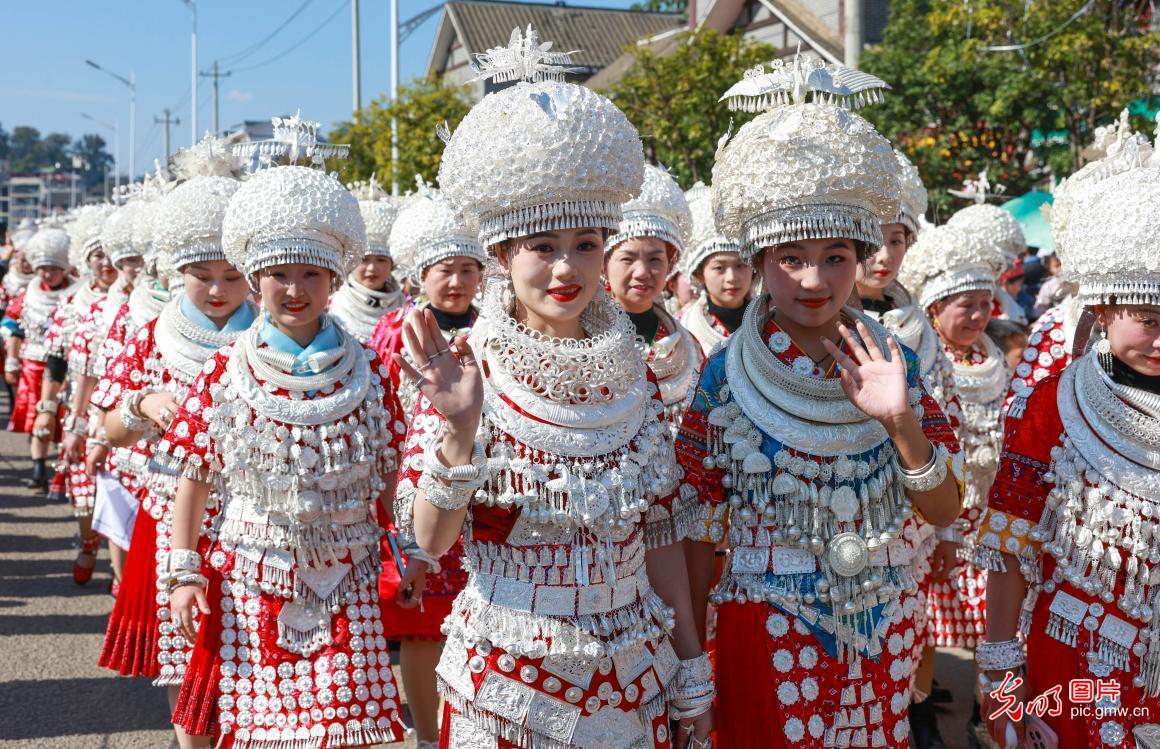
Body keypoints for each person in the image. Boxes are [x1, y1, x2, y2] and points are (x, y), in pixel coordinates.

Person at [401, 26, 712, 749]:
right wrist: (456, 432)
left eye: (585, 244)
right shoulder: (465, 367)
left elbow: (660, 535)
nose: (566, 268)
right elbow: (430, 543)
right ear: (503, 253)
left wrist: (692, 665)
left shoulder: (634, 364)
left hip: (633, 673)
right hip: (508, 679)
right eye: (543, 246)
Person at [678, 53, 963, 748]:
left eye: (836, 255)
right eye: (791, 258)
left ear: (861, 258)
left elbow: (947, 508)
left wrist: (901, 423)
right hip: (762, 626)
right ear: (757, 262)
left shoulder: (891, 357)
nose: (814, 278)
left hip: (882, 625)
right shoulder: (723, 375)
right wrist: (690, 667)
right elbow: (692, 533)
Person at [159, 132, 408, 747]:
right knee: (261, 730)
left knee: (344, 728)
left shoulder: (368, 369)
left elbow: (391, 472)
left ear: (333, 280)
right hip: (253, 575)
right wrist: (184, 573)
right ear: (256, 280)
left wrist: (410, 554)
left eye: (310, 275)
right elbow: (195, 477)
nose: (294, 290)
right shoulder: (226, 369)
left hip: (347, 574)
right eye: (278, 276)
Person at [978, 125, 1160, 749]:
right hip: (1081, 664)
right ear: (1104, 307)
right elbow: (1008, 552)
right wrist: (1001, 686)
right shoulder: (1053, 406)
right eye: (1150, 320)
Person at [93, 160, 257, 747]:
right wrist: (141, 404)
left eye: (233, 276)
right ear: (177, 270)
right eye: (200, 274)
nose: (217, 291)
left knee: (252, 661)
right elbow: (107, 429)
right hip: (170, 518)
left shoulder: (273, 335)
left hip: (254, 518)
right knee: (183, 659)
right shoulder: (154, 335)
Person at [366, 186, 486, 749]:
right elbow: (385, 413)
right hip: (416, 487)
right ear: (420, 273)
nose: (457, 281)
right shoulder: (395, 330)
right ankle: (426, 733)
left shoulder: (495, 329)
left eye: (468, 268)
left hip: (482, 486)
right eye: (446, 269)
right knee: (422, 628)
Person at [855, 149, 957, 747]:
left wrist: (946, 530)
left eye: (898, 239)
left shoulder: (922, 332)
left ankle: (915, 716)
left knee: (910, 625)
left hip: (916, 510)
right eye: (874, 241)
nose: (885, 256)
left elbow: (950, 428)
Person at [898, 220, 1011, 739]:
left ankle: (1002, 725)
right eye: (963, 304)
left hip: (997, 523)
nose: (976, 315)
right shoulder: (928, 363)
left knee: (1004, 641)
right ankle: (950, 723)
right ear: (935, 309)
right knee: (945, 645)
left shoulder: (1001, 359)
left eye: (984, 303)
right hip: (948, 521)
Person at [605, 164, 701, 423]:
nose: (642, 272)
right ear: (604, 265)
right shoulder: (584, 339)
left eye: (655, 260)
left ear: (670, 265)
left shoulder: (690, 347)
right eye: (628, 259)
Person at [3, 224, 77, 488]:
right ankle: (38, 469)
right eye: (43, 267)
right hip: (34, 366)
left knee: (65, 418)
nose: (48, 273)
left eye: (54, 267)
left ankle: (63, 469)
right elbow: (14, 328)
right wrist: (12, 361)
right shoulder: (27, 294)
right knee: (39, 416)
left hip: (69, 368)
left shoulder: (78, 295)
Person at [679, 182, 754, 356]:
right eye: (719, 268)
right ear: (699, 273)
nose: (732, 277)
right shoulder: (684, 328)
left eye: (741, 265)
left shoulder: (770, 321)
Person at [330, 178, 405, 342]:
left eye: (381, 260)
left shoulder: (406, 308)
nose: (372, 268)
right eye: (364, 260)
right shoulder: (331, 306)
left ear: (392, 264)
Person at [947, 203, 1029, 325]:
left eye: (1001, 268)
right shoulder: (950, 300)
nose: (1000, 274)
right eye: (994, 266)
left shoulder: (1001, 301)